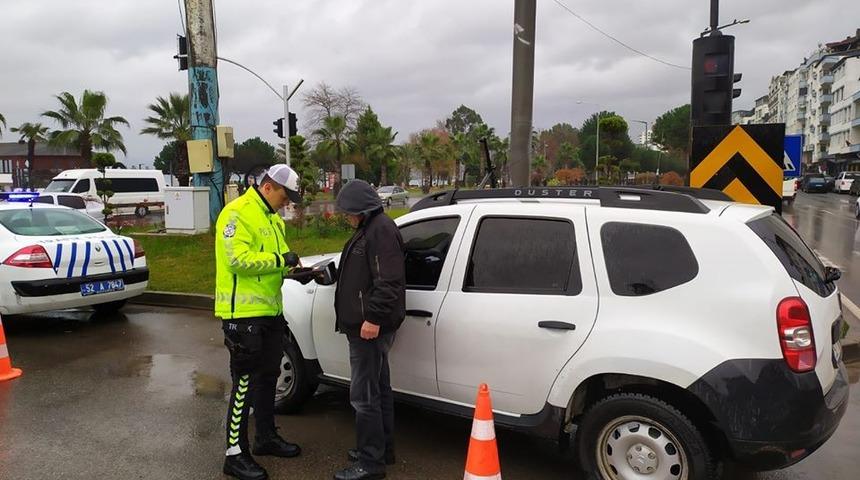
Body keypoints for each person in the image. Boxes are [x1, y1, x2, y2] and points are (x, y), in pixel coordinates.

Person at [215, 164, 304, 480]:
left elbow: (277, 264)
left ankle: (265, 437)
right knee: (244, 384)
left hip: (271, 312)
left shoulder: (273, 219)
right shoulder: (236, 213)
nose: (287, 201)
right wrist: (281, 260)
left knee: (268, 377)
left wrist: (297, 271)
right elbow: (237, 260)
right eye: (284, 195)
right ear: (268, 187)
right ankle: (234, 454)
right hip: (242, 316)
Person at [332, 180, 406, 480]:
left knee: (363, 397)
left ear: (362, 209)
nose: (346, 217)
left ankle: (370, 463)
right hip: (367, 326)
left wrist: (373, 319)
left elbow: (389, 281)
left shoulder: (380, 230)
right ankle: (381, 450)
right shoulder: (370, 228)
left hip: (370, 328)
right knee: (378, 389)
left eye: (348, 212)